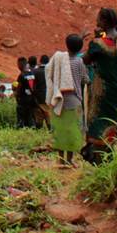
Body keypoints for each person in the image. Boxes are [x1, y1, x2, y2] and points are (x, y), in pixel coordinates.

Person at [84, 7, 117, 145]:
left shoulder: (97, 44)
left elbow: (86, 61)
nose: (96, 21)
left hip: (103, 89)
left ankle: (98, 151)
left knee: (98, 117)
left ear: (104, 21)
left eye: (98, 18)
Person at [46, 34, 88, 163]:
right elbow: (85, 79)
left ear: (66, 45)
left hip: (57, 99)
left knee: (60, 130)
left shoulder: (57, 59)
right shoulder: (79, 61)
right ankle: (70, 159)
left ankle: (60, 159)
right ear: (80, 48)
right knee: (72, 130)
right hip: (74, 100)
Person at [14, 57, 36, 129]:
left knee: (21, 119)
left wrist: (16, 94)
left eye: (18, 64)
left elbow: (18, 88)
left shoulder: (21, 75)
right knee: (30, 118)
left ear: (20, 65)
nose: (18, 66)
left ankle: (21, 129)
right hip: (31, 99)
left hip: (23, 100)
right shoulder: (32, 73)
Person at [32, 55, 51, 128]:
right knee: (48, 116)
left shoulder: (35, 71)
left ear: (40, 61)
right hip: (49, 97)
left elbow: (33, 85)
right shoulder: (51, 71)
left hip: (38, 98)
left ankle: (39, 133)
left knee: (38, 117)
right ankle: (50, 131)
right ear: (48, 61)